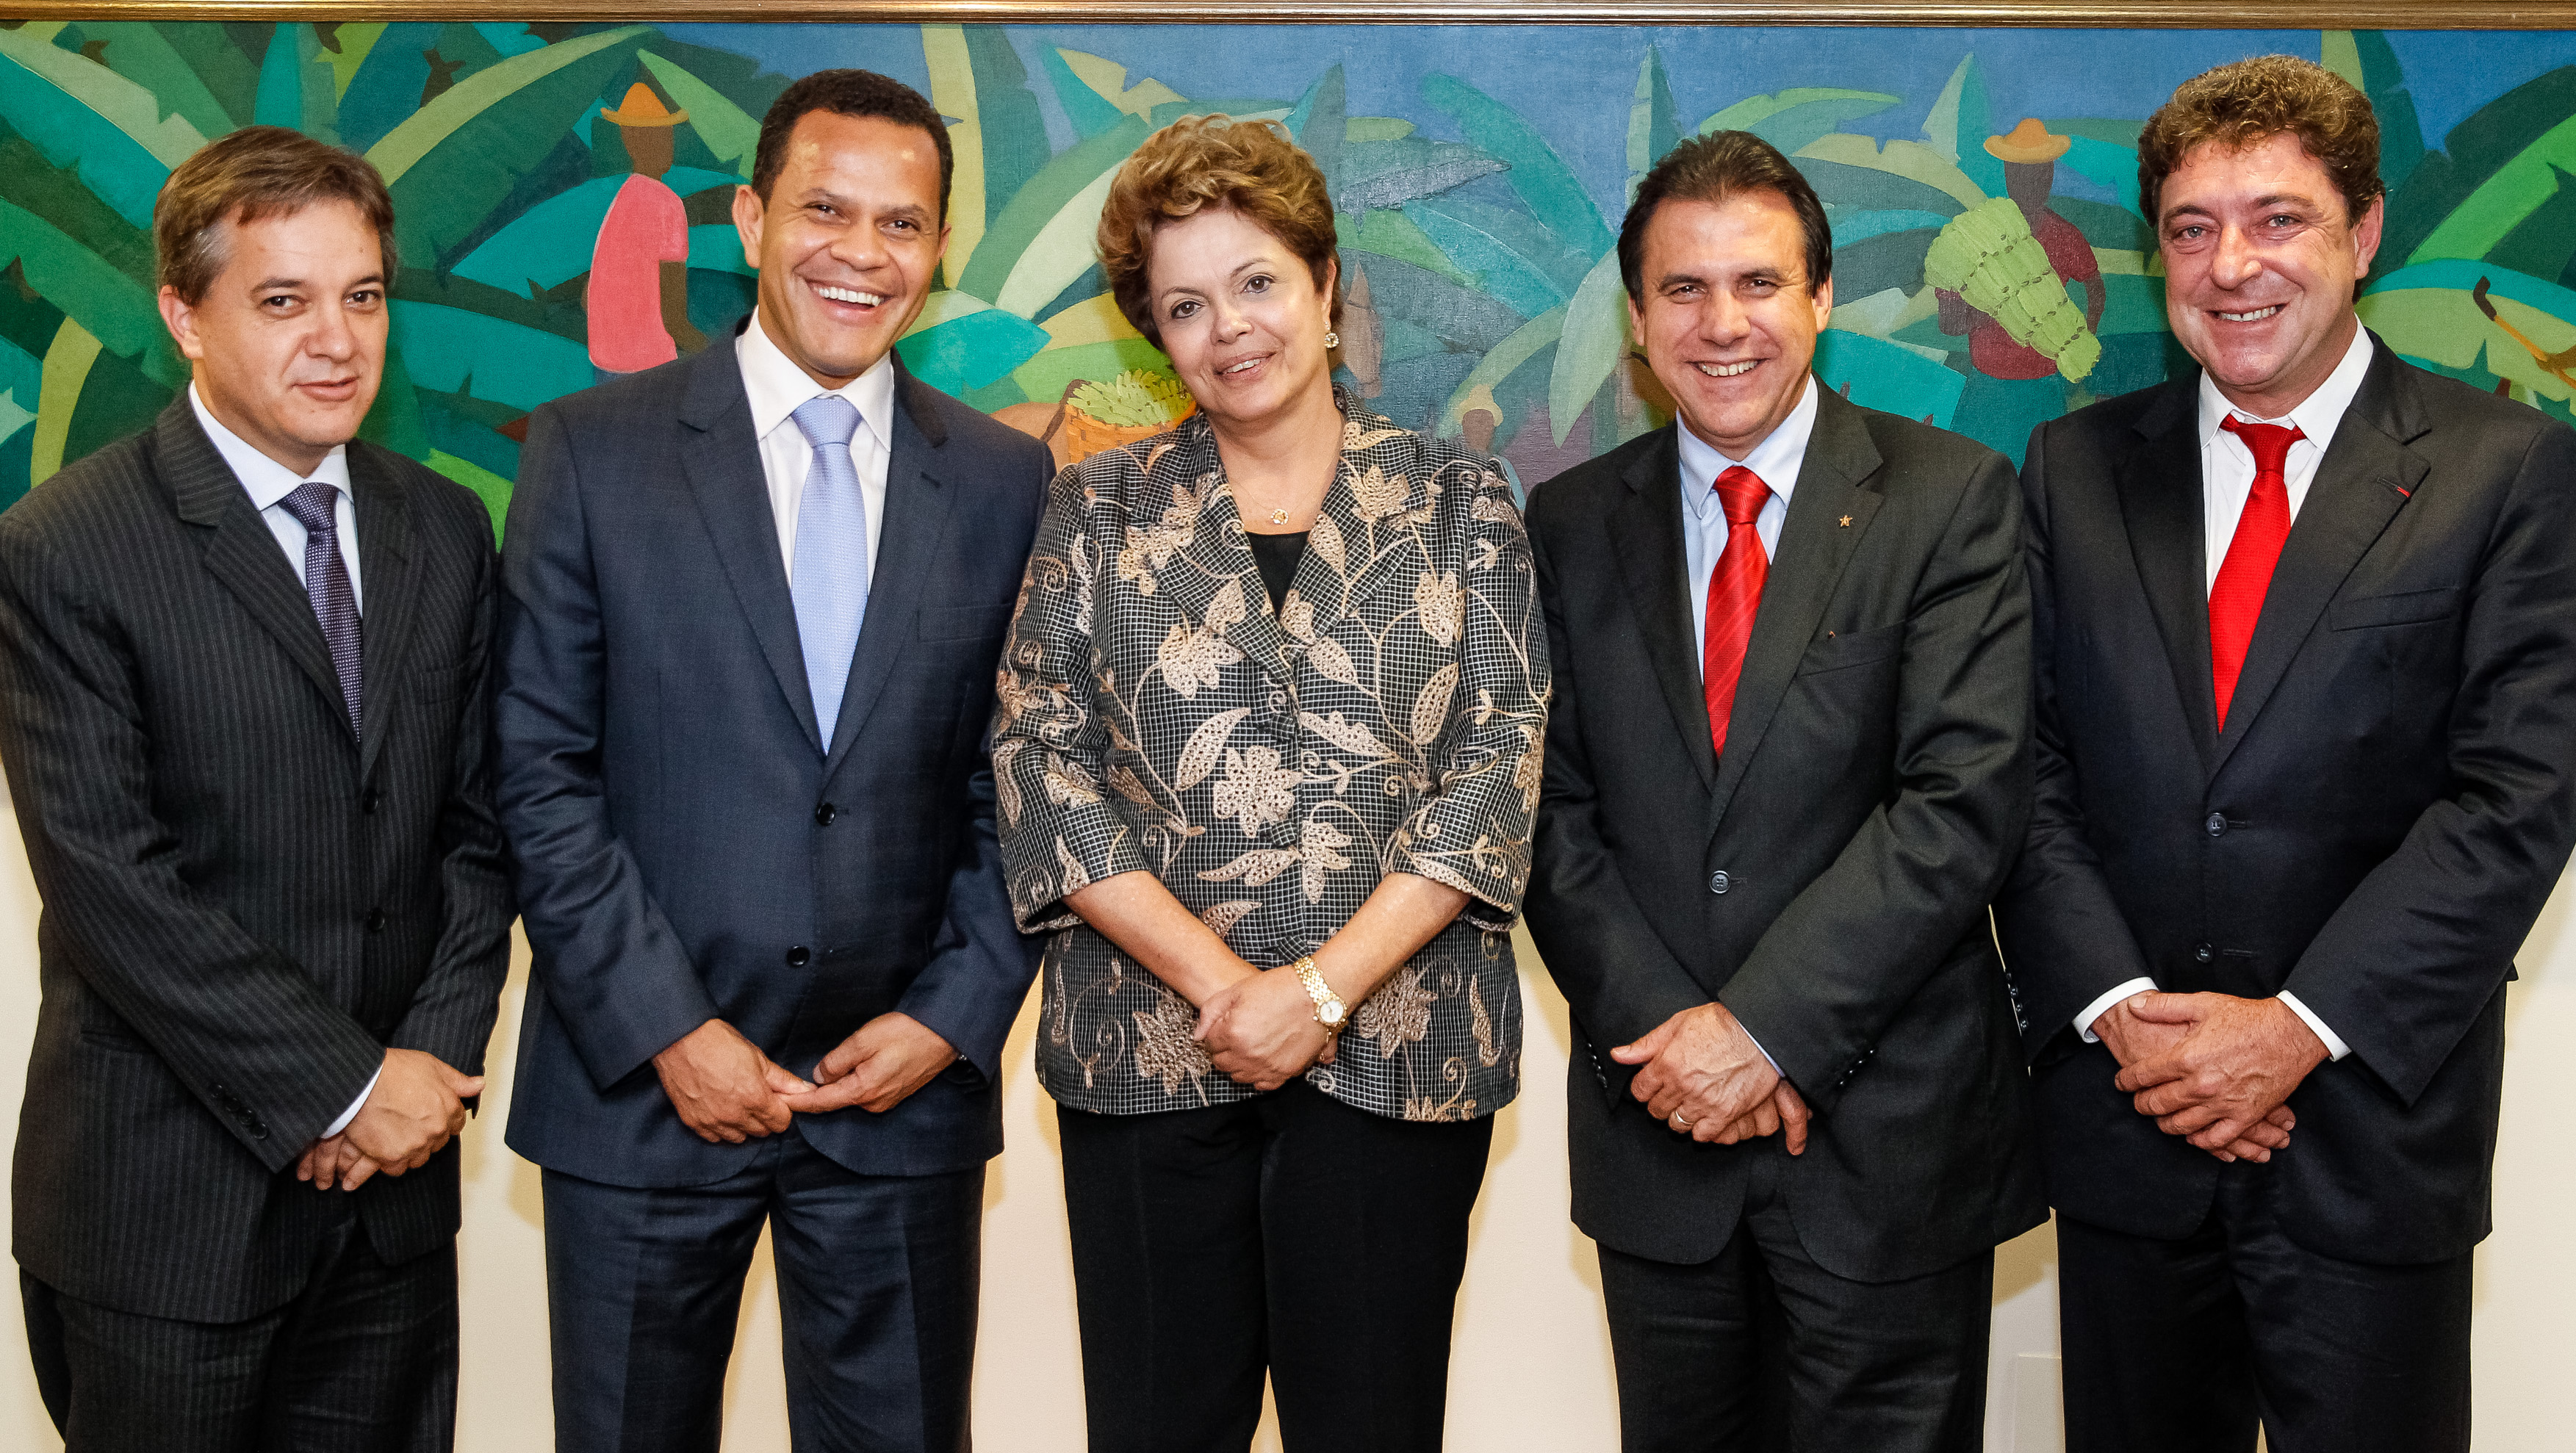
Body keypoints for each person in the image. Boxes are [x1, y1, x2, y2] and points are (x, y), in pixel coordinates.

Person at [1995, 55, 2576, 1453]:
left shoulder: (2507, 465)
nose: (2230, 264)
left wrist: (2292, 1032)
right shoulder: (2071, 468)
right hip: (2130, 1126)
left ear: (2364, 233)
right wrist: (2127, 1011)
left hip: (2369, 1137)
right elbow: (2022, 767)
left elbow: (2517, 793)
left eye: (2277, 219)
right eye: (2191, 227)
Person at [497, 70, 1050, 1452]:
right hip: (641, 1097)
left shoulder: (997, 479)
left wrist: (953, 1012)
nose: (861, 254)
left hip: (899, 1105)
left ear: (936, 252)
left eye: (902, 225)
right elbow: (539, 771)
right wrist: (669, 1028)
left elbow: (1025, 779)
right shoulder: (590, 451)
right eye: (824, 209)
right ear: (748, 216)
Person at [991, 114, 1546, 1453]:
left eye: (1255, 282)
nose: (1229, 327)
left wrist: (1316, 992)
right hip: (1144, 1058)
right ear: (1154, 336)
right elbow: (1040, 760)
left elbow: (1495, 768)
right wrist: (1226, 992)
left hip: (1397, 1054)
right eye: (1185, 305)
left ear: (1323, 280)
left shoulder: (1462, 501)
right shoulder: (1096, 509)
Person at [1522, 130, 2042, 1452]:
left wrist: (1759, 1033)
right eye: (1683, 291)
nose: (1723, 324)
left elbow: (1957, 805)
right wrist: (1676, 1042)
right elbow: (1546, 813)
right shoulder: (1568, 523)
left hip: (1885, 1140)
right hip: (1660, 1132)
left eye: (1758, 284)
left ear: (1819, 300)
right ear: (1637, 321)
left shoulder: (1950, 498)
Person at [0, 126, 513, 1450]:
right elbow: (115, 885)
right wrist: (345, 1088)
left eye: (364, 296)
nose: (335, 340)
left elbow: (479, 823)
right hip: (164, 1213)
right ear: (185, 314)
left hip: (392, 1212)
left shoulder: (442, 525)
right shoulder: (63, 547)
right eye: (283, 300)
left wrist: (430, 1065)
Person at [1938, 118, 2107, 466]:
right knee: (1975, 487)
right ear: (2007, 175)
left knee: (2041, 488)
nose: (2032, 183)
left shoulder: (2065, 236)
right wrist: (1992, 306)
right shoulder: (1973, 237)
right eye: (2022, 173)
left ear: (2050, 176)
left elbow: (2095, 287)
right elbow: (1949, 324)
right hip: (1987, 391)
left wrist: (2081, 338)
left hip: (2043, 389)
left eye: (2041, 173)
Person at [586, 79, 708, 382]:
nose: (666, 145)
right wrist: (720, 356)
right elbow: (675, 321)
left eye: (666, 136)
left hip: (603, 367)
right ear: (632, 143)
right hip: (648, 374)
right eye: (656, 137)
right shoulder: (667, 205)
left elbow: (587, 295)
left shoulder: (623, 198)